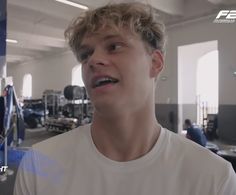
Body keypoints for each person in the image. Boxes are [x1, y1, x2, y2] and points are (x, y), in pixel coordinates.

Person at [14, 2, 236, 195]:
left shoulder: (212, 177)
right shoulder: (41, 163)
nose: (94, 60)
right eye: (85, 54)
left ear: (155, 63)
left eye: (114, 47)